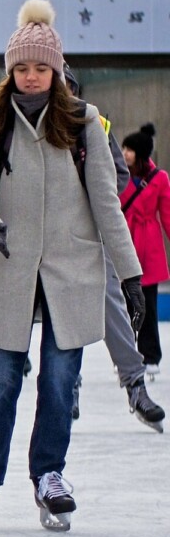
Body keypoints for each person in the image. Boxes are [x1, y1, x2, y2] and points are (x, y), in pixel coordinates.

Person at [0, 0, 144, 532]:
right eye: (22, 68)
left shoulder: (84, 122)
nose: (32, 77)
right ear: (10, 71)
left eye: (41, 68)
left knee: (61, 383)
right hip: (11, 267)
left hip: (71, 271)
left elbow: (106, 203)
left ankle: (49, 474)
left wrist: (130, 274)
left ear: (58, 71)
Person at [61, 65, 163, 430]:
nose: (62, 91)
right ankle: (66, 386)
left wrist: (88, 193)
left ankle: (134, 383)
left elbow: (119, 176)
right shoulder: (25, 125)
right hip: (42, 239)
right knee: (58, 317)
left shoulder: (95, 124)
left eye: (67, 84)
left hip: (89, 231)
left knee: (111, 303)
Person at [120, 123, 170, 381]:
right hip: (124, 243)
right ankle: (126, 357)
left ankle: (150, 356)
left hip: (148, 246)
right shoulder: (118, 174)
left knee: (147, 305)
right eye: (124, 148)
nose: (125, 152)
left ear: (140, 152)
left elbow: (168, 214)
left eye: (129, 149)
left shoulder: (159, 178)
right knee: (125, 306)